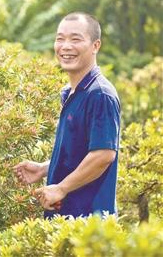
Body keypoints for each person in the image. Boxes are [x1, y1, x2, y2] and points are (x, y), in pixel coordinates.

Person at [13, 12, 120, 218]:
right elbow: (80, 151)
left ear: (95, 46)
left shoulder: (100, 94)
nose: (65, 46)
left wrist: (61, 188)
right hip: (63, 218)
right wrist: (44, 168)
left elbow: (103, 155)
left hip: (89, 224)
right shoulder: (69, 92)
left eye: (75, 39)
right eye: (60, 39)